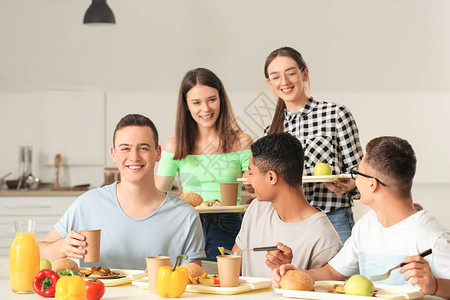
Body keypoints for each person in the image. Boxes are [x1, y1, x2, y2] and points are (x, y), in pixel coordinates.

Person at [272, 136, 450, 298]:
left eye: (357, 173)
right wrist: (296, 274)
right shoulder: (367, 226)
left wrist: (434, 286)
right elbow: (332, 273)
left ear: (372, 184)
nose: (355, 180)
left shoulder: (433, 237)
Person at [38, 114, 206, 270]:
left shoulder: (185, 216)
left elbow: (194, 276)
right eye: (125, 148)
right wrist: (61, 247)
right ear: (114, 154)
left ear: (158, 153)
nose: (134, 157)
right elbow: (39, 250)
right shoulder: (88, 203)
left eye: (144, 148)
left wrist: (171, 274)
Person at [261, 47, 364, 243]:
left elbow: (360, 172)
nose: (284, 82)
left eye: (291, 73)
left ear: (304, 74)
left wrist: (351, 184)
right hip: (290, 225)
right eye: (275, 77)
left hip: (334, 218)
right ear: (270, 83)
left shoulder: (336, 114)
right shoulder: (270, 132)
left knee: (339, 275)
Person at [155, 68, 253, 261]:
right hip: (186, 224)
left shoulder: (242, 142)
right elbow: (158, 196)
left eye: (212, 100)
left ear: (221, 100)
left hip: (229, 225)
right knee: (189, 283)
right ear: (186, 105)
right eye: (196, 102)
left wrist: (254, 189)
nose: (206, 109)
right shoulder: (174, 146)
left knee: (224, 282)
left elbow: (255, 190)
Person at [233, 132, 342, 278]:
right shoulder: (256, 209)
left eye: (251, 172)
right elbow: (234, 261)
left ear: (271, 177)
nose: (249, 181)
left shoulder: (323, 239)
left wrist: (288, 274)